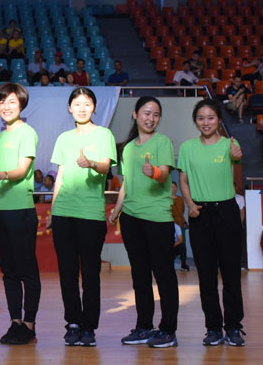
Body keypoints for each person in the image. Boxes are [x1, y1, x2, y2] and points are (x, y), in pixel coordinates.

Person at [45, 87, 116, 347]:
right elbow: (60, 176)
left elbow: (106, 166)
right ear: (69, 108)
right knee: (67, 273)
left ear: (94, 107)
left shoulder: (104, 134)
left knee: (90, 273)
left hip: (90, 213)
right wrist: (53, 209)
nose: (82, 108)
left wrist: (92, 164)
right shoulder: (64, 138)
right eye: (77, 104)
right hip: (63, 212)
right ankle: (73, 323)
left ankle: (89, 326)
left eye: (87, 103)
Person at [108, 96, 180, 348]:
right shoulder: (127, 148)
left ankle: (168, 330)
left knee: (164, 274)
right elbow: (126, 183)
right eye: (147, 113)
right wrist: (117, 209)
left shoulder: (162, 142)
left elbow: (164, 175)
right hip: (131, 218)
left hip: (157, 218)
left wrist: (155, 172)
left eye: (156, 114)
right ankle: (144, 326)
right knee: (139, 275)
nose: (151, 118)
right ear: (135, 114)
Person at [177, 99, 245, 346]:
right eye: (201, 118)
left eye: (211, 118)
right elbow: (183, 181)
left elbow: (237, 168)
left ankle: (234, 327)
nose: (206, 122)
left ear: (219, 120)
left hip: (227, 211)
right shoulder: (187, 147)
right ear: (196, 121)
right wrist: (190, 204)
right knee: (206, 276)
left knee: (231, 275)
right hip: (200, 213)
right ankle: (213, 328)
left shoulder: (230, 144)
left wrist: (236, 157)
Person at [0, 83, 41, 345]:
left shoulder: (27, 132)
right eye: (1, 102)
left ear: (21, 104)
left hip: (20, 210)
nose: (5, 107)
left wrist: (2, 175)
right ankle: (15, 322)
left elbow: (21, 169)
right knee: (8, 272)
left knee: (26, 269)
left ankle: (29, 325)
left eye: (11, 102)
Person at [170, 181, 190, 271]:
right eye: (171, 187)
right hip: (170, 223)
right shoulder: (167, 199)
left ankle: (183, 263)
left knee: (182, 243)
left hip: (181, 223)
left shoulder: (180, 198)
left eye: (174, 187)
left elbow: (182, 210)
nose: (173, 189)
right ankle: (171, 260)